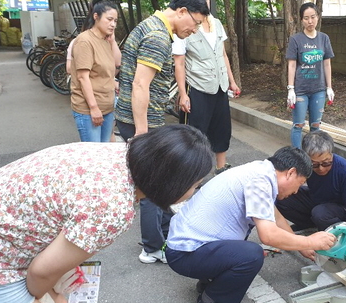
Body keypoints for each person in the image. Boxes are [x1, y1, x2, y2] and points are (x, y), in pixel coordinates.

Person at [0, 125, 214, 303]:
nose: (195, 191)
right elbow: (40, 272)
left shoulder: (119, 153)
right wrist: (53, 301)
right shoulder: (113, 207)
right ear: (170, 182)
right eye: (195, 184)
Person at [166, 146, 337, 303]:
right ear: (290, 173)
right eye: (300, 184)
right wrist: (309, 240)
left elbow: (276, 217)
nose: (296, 191)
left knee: (242, 247)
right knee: (251, 255)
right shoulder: (260, 182)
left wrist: (303, 247)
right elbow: (268, 236)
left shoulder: (260, 171)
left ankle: (210, 281)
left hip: (187, 245)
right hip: (185, 254)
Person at [114, 0, 210, 264]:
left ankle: (166, 234)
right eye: (196, 23)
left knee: (159, 183)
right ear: (182, 12)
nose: (195, 30)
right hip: (142, 123)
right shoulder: (158, 36)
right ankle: (153, 247)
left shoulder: (150, 26)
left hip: (137, 119)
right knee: (151, 188)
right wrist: (143, 134)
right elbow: (140, 85)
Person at [173, 0, 241, 175]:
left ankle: (220, 167)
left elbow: (223, 54)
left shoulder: (216, 23)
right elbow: (179, 63)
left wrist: (231, 81)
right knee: (194, 133)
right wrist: (182, 93)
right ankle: (190, 172)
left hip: (220, 85)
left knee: (222, 128)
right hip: (197, 86)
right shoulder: (183, 27)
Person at [276, 130, 346, 231]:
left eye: (326, 163)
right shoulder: (303, 166)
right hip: (316, 201)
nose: (321, 168)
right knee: (281, 195)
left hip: (337, 209)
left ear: (331, 154)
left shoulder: (345, 170)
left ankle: (334, 230)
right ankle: (308, 225)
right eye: (314, 165)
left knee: (319, 213)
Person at [70, 1, 121, 142]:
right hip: (89, 109)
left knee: (104, 151)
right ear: (96, 16)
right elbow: (82, 77)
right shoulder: (85, 41)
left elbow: (117, 63)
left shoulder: (105, 40)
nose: (113, 24)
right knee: (93, 154)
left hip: (107, 106)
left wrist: (113, 41)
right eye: (109, 19)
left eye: (115, 21)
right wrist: (94, 108)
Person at [286, 2, 334, 149]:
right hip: (300, 90)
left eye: (313, 17)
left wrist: (329, 87)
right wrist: (291, 89)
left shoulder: (324, 38)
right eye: (306, 18)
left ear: (318, 17)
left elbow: (327, 64)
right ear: (301, 20)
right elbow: (292, 65)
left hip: (318, 90)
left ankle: (314, 156)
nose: (310, 21)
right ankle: (297, 156)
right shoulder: (296, 39)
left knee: (315, 126)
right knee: (298, 125)